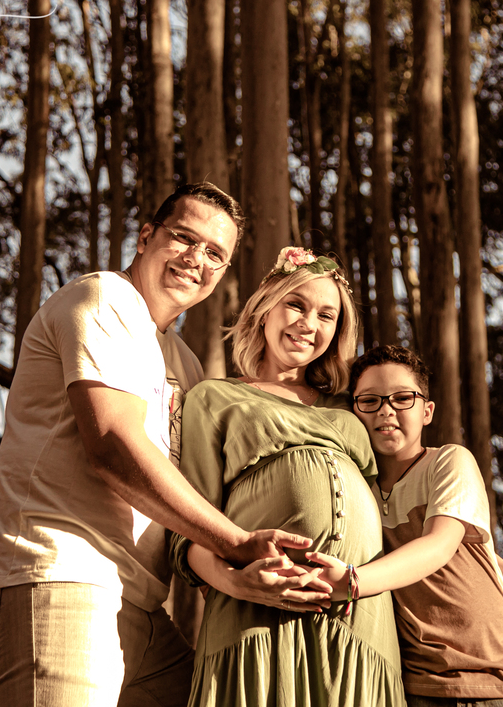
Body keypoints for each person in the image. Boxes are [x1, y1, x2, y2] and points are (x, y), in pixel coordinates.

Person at [0, 185, 328, 707]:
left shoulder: (184, 363)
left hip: (142, 605)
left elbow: (195, 494)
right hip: (56, 573)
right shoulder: (104, 298)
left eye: (215, 254)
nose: (196, 259)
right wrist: (238, 543)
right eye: (184, 238)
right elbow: (113, 446)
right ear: (146, 236)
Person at [168, 247, 406, 707]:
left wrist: (487, 559)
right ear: (264, 310)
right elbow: (190, 527)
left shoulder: (352, 407)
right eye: (296, 304)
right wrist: (239, 583)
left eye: (326, 315)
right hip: (256, 614)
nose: (308, 324)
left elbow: (408, 500)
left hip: (361, 619)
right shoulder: (214, 399)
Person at [308, 344, 503, 707]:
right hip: (420, 687)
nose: (386, 409)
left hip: (496, 679)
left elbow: (441, 544)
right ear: (352, 411)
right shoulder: (353, 487)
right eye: (369, 400)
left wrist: (351, 582)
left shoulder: (449, 462)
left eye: (402, 398)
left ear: (427, 411)